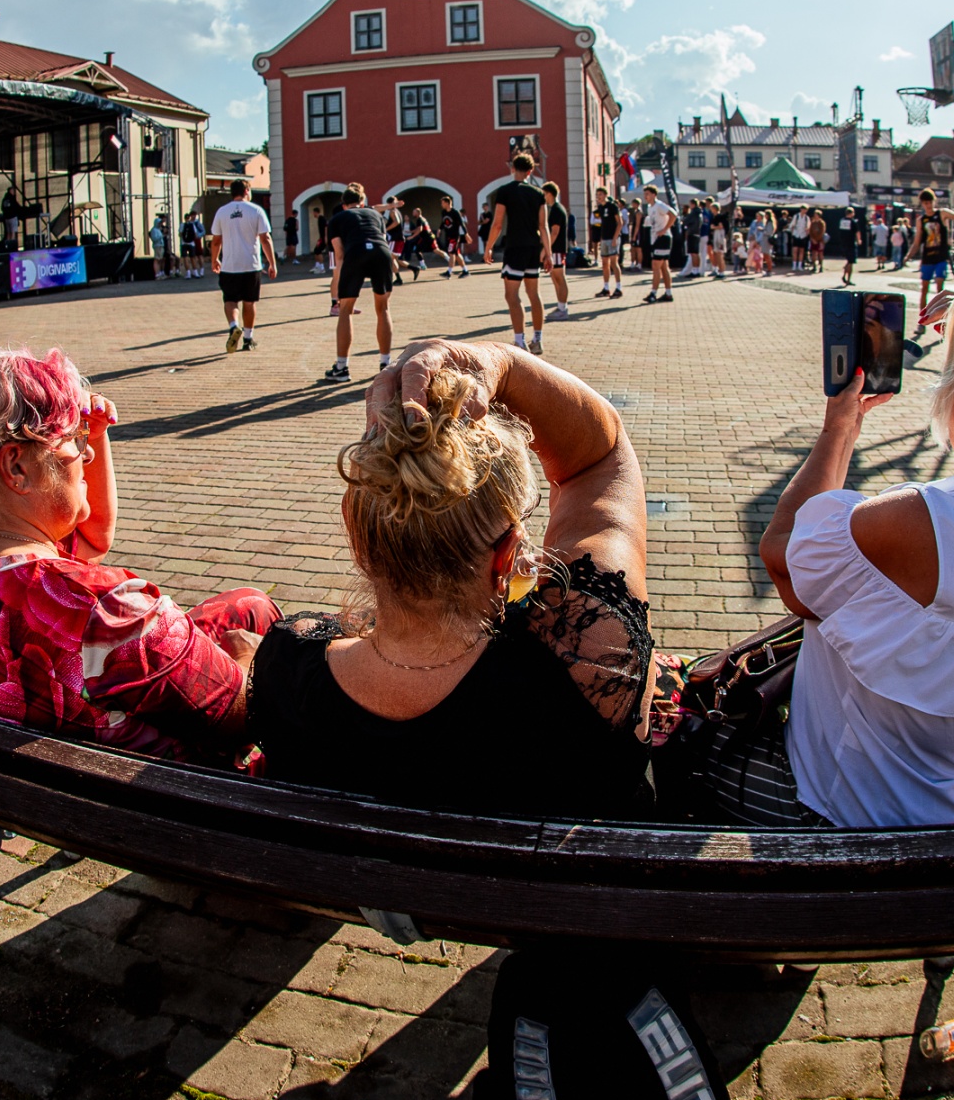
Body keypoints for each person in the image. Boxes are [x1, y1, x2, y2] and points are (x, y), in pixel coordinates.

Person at [696, 276, 954, 827]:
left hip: (851, 812)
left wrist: (840, 427)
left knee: (686, 751)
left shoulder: (916, 521)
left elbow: (782, 554)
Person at [248, 338, 655, 817]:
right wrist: (503, 363)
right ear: (506, 556)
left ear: (359, 540)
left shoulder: (285, 664)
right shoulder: (591, 660)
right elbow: (599, 458)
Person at [0, 347, 281, 761]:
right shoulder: (108, 612)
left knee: (250, 606)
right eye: (72, 441)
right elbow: (243, 716)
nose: (86, 454)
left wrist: (93, 434)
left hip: (42, 776)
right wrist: (254, 662)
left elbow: (92, 539)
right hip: (168, 783)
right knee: (275, 644)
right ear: (16, 467)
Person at [325, 184, 394, 382]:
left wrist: (339, 285)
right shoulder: (375, 215)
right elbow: (381, 240)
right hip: (381, 253)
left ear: (344, 205)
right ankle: (386, 364)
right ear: (362, 202)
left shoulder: (337, 219)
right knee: (383, 308)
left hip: (355, 253)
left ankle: (341, 368)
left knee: (345, 309)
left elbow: (339, 255)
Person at [486, 152, 550, 354]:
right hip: (533, 248)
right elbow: (543, 226)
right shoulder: (538, 193)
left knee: (512, 295)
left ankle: (520, 341)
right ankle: (537, 339)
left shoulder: (505, 191)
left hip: (515, 247)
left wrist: (489, 246)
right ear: (530, 171)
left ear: (513, 168)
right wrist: (548, 252)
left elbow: (497, 223)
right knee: (534, 294)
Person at [211, 179, 277, 354]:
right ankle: (248, 339)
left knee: (230, 300)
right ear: (247, 190)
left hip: (229, 265)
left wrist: (214, 259)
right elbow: (265, 238)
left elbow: (216, 241)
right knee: (249, 301)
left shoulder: (222, 212)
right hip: (251, 265)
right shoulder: (256, 210)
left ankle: (234, 326)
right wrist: (272, 263)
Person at [912, 191, 950, 333]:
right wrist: (908, 255)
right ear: (922, 204)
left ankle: (942, 321)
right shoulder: (921, 220)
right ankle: (922, 322)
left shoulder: (942, 214)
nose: (928, 205)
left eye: (930, 202)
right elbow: (917, 241)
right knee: (924, 289)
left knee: (940, 289)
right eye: (925, 203)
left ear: (934, 202)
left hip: (941, 257)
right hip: (927, 259)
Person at [641, 186, 676, 304]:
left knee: (655, 266)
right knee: (664, 266)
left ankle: (653, 293)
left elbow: (673, 214)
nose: (646, 196)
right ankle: (668, 293)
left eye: (648, 194)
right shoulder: (650, 208)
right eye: (645, 194)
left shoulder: (659, 205)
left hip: (663, 238)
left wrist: (664, 229)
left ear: (654, 194)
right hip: (656, 239)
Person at [543, 181, 571, 321]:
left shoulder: (556, 210)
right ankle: (560, 306)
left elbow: (554, 232)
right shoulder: (555, 208)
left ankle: (563, 308)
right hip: (555, 249)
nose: (543, 197)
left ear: (549, 194)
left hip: (557, 249)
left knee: (560, 278)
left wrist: (545, 250)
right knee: (555, 278)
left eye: (544, 194)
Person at [592, 187, 623, 299]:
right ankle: (606, 288)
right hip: (604, 238)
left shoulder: (612, 206)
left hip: (612, 238)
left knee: (614, 263)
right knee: (605, 264)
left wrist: (615, 238)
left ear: (605, 195)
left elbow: (620, 223)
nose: (598, 197)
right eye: (597, 195)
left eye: (600, 194)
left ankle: (619, 288)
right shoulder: (600, 208)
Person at [403, 206, 436, 283]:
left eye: (414, 212)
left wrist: (412, 236)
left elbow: (420, 229)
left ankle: (423, 265)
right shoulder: (423, 218)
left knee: (418, 250)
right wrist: (411, 232)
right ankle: (423, 265)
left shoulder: (419, 219)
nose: (412, 213)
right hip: (429, 236)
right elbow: (418, 228)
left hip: (426, 238)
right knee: (435, 250)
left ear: (417, 213)